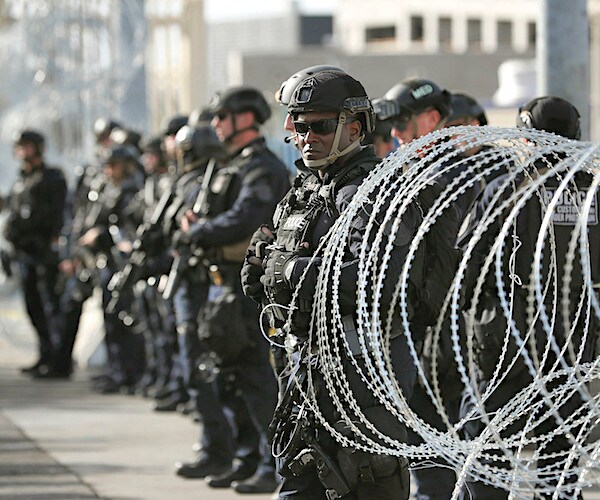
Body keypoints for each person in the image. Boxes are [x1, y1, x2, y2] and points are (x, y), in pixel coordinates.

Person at [242, 69, 417, 499]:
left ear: (353, 128)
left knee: (367, 485)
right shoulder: (306, 188)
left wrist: (290, 270)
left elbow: (370, 279)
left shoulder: (375, 190)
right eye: (298, 125)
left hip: (362, 375)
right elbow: (260, 266)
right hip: (305, 366)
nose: (304, 135)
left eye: (318, 126)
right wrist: (274, 269)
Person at [458, 96, 596, 499]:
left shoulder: (506, 191)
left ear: (528, 137)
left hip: (507, 343)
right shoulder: (594, 194)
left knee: (488, 452)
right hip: (574, 342)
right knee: (562, 459)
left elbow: (468, 265)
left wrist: (472, 312)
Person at [170, 86, 290, 495]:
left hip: (247, 290)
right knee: (229, 378)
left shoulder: (261, 167)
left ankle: (273, 464)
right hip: (221, 286)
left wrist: (200, 231)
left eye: (223, 117)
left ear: (244, 118)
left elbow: (246, 219)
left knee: (255, 378)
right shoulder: (229, 166)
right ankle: (245, 458)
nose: (217, 124)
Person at [3, 130, 67, 376]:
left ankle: (58, 360)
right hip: (25, 255)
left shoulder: (51, 178)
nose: (22, 152)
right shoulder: (21, 181)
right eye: (20, 147)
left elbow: (50, 216)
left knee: (50, 307)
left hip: (43, 254)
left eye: (27, 146)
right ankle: (45, 355)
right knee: (34, 308)